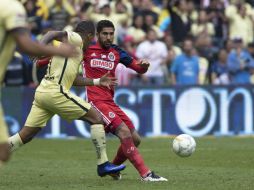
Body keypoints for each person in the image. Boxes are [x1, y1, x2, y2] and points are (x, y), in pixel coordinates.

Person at [8, 20, 126, 177]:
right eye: (91, 39)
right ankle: (103, 164)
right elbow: (51, 33)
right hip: (55, 91)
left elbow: (74, 79)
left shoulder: (75, 52)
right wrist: (38, 49)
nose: (91, 43)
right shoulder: (76, 38)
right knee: (97, 118)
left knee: (25, 135)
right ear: (89, 35)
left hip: (43, 92)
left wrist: (97, 81)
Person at [83, 20, 167, 181]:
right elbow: (64, 56)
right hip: (95, 101)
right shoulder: (87, 49)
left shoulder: (116, 52)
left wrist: (144, 66)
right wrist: (41, 60)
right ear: (97, 35)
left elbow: (137, 68)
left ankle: (113, 169)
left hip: (109, 101)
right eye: (105, 34)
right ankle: (146, 174)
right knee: (123, 132)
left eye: (111, 34)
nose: (108, 37)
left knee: (135, 139)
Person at [0, 0, 78, 166]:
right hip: (49, 90)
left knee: (4, 151)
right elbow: (25, 44)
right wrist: (58, 50)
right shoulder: (11, 7)